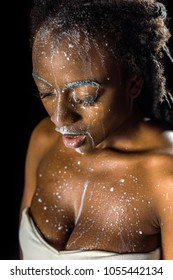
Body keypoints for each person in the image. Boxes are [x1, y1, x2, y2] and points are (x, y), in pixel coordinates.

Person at [19, 0, 173, 260]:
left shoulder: (165, 179)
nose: (59, 118)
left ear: (133, 84)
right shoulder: (43, 139)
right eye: (45, 92)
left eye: (84, 96)